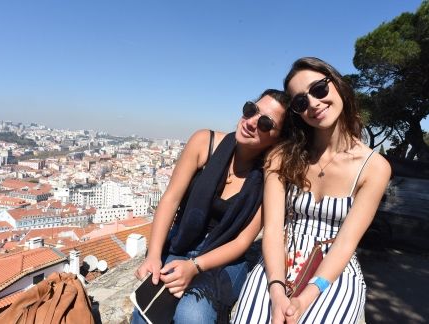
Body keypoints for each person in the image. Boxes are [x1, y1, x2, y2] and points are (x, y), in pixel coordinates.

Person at [233, 57, 391, 324]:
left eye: (319, 89)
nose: (314, 104)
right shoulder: (281, 157)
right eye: (301, 102)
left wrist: (303, 300)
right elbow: (272, 229)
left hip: (333, 272)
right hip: (279, 261)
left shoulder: (374, 168)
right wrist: (277, 290)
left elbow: (345, 244)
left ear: (338, 85)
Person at [131, 89, 290, 323]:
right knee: (147, 315)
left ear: (277, 138)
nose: (252, 122)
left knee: (192, 314)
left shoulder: (272, 176)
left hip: (225, 260)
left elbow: (242, 241)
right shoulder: (205, 142)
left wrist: (195, 266)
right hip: (181, 243)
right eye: (251, 110)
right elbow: (170, 199)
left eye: (266, 123)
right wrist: (153, 255)